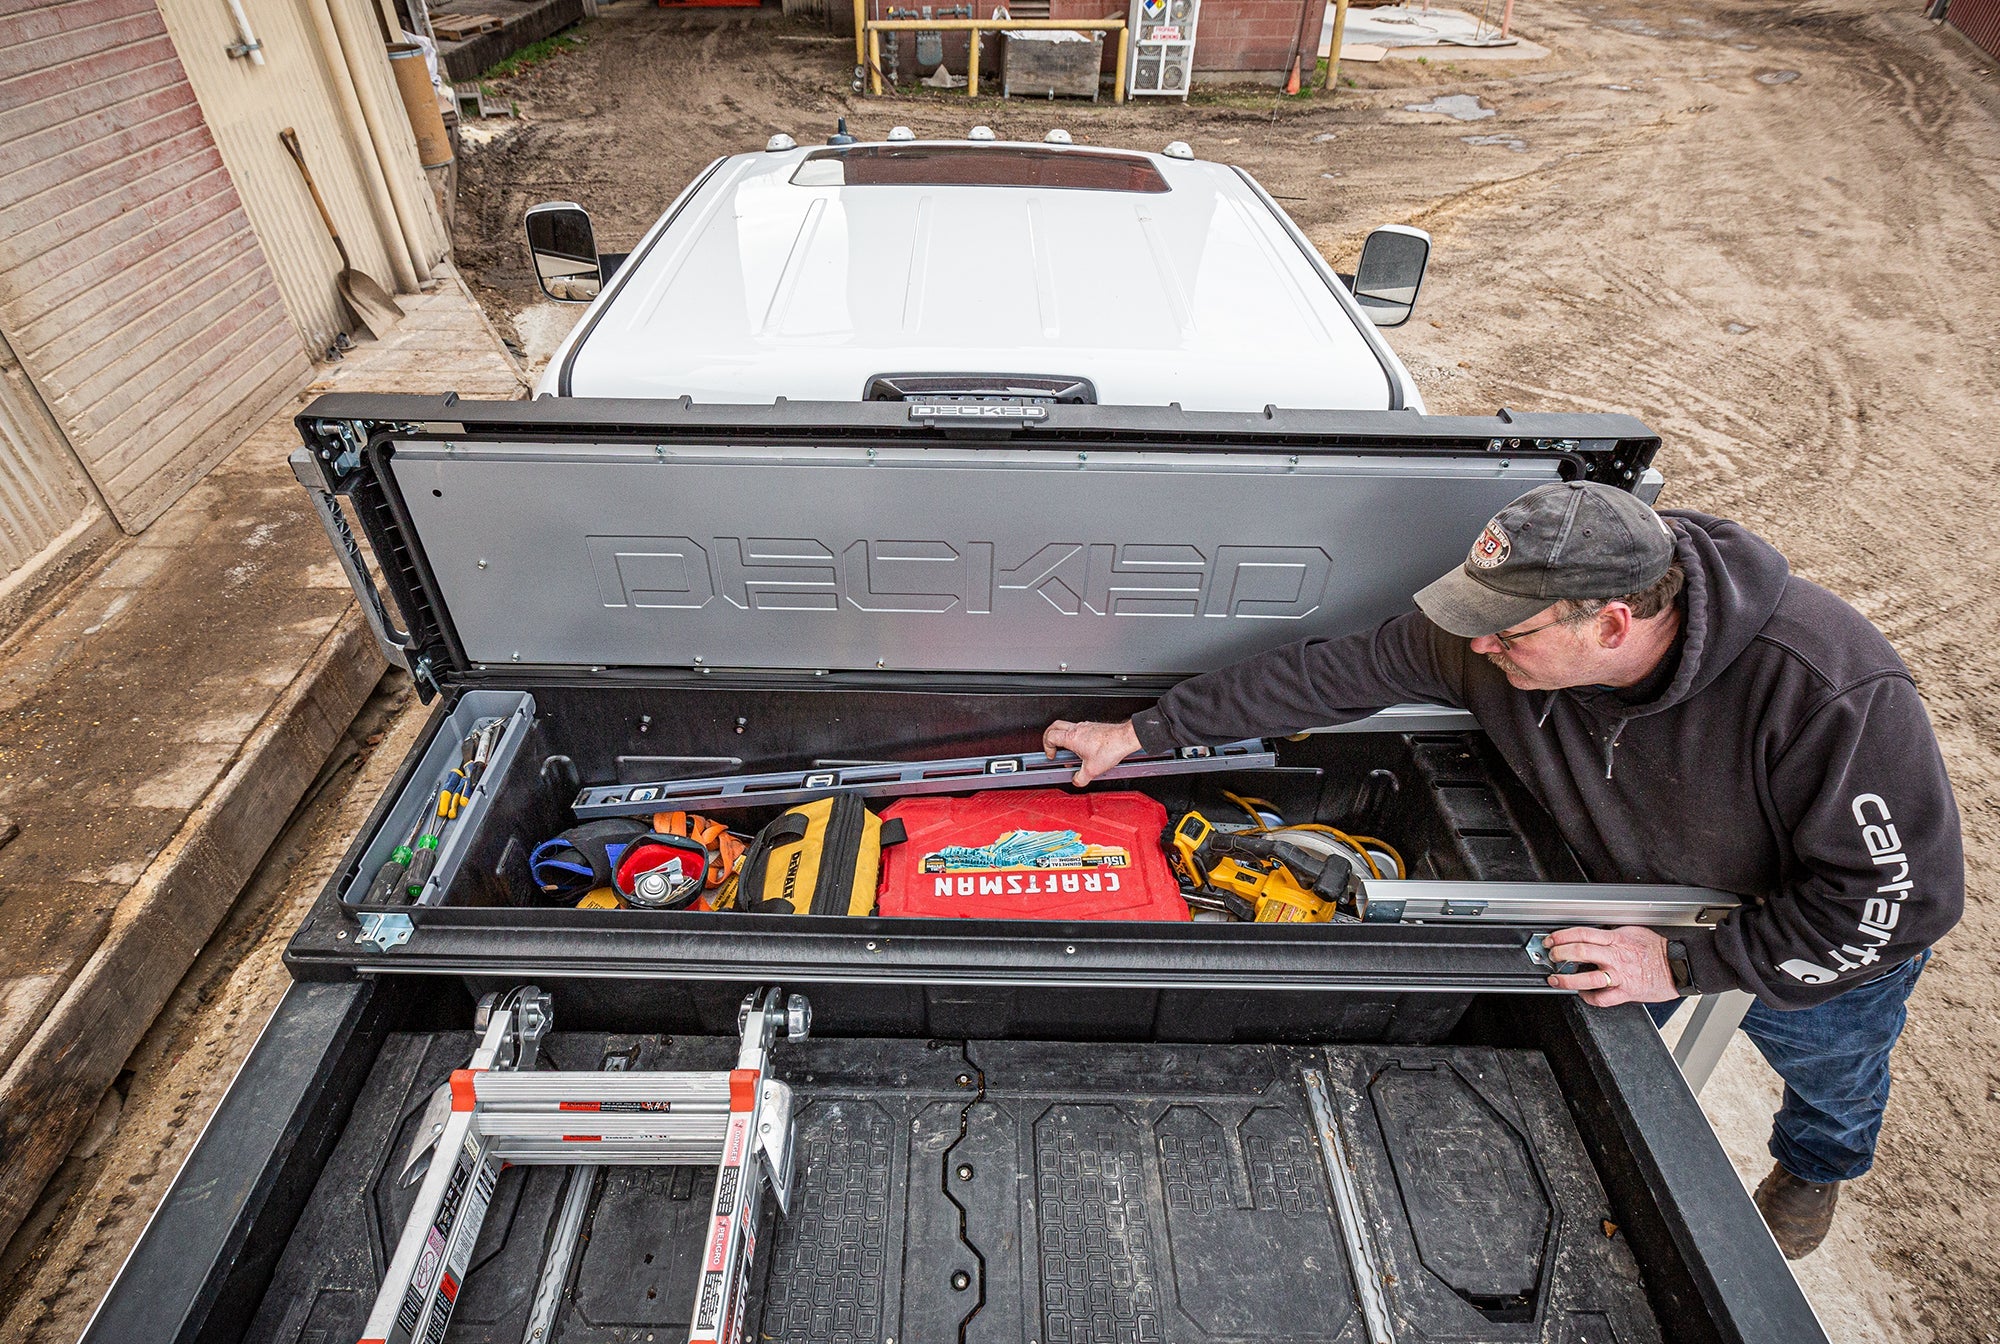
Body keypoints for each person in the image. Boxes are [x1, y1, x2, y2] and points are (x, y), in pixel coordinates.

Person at [1044, 480, 1962, 1259]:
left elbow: (1895, 900)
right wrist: (1142, 733)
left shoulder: (1827, 689)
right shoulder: (1494, 643)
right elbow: (1327, 675)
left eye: (1505, 633)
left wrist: (1684, 964)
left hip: (1812, 930)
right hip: (1636, 900)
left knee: (1835, 1066)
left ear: (1609, 625)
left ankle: (1817, 1164)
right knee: (1618, 1068)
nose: (1479, 648)